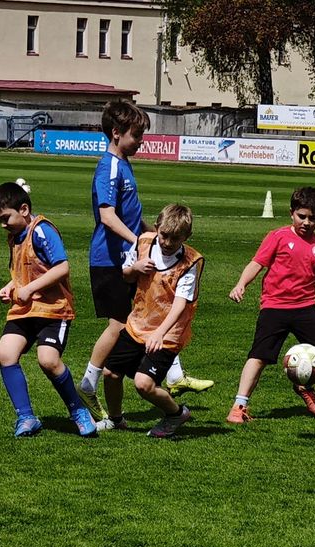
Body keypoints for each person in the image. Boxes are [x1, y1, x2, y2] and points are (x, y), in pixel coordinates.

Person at [78, 100, 212, 425]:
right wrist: (139, 243)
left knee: (147, 314)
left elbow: (132, 217)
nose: (141, 141)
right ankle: (91, 379)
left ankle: (157, 379)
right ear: (116, 132)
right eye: (136, 135)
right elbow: (108, 217)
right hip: (111, 258)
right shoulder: (109, 166)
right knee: (122, 323)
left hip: (128, 253)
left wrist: (156, 236)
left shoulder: (123, 164)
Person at [0, 182, 96, 438]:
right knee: (5, 354)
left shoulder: (42, 231)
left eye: (5, 218)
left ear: (24, 209)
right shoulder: (14, 236)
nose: (3, 224)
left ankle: (78, 411)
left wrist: (27, 289)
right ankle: (26, 417)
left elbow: (61, 268)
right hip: (26, 309)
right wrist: (10, 286)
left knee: (48, 360)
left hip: (53, 310)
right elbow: (25, 272)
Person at [227, 186, 315, 422]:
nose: (307, 222)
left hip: (304, 308)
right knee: (259, 355)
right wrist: (241, 284)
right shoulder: (277, 237)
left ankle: (304, 385)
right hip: (274, 307)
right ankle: (239, 406)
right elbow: (256, 264)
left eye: (313, 218)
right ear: (291, 213)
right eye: (302, 216)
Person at [99, 204, 204, 439]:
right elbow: (125, 275)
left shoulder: (190, 262)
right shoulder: (144, 243)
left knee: (143, 384)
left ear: (186, 237)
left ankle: (177, 413)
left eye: (175, 238)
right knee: (110, 374)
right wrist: (135, 268)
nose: (167, 242)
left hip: (168, 333)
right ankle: (116, 420)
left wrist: (160, 333)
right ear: (157, 228)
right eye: (164, 235)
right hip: (138, 323)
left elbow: (180, 304)